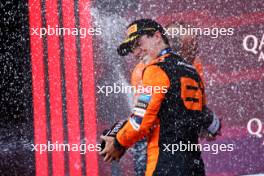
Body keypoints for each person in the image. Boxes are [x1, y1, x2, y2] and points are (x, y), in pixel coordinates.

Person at [100, 19, 221, 176]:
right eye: (132, 49)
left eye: (138, 43)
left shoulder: (154, 70)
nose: (135, 52)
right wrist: (213, 125)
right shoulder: (191, 71)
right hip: (194, 166)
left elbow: (141, 120)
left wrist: (118, 142)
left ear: (157, 36)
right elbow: (199, 118)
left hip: (165, 165)